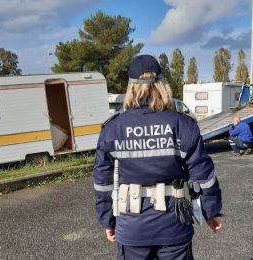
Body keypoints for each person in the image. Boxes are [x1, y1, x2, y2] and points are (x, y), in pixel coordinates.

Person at [93, 55, 222, 260]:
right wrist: (211, 211)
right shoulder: (183, 124)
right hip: (174, 226)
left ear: (130, 86)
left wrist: (107, 220)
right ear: (162, 83)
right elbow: (204, 175)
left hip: (132, 228)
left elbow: (102, 182)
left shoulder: (113, 128)